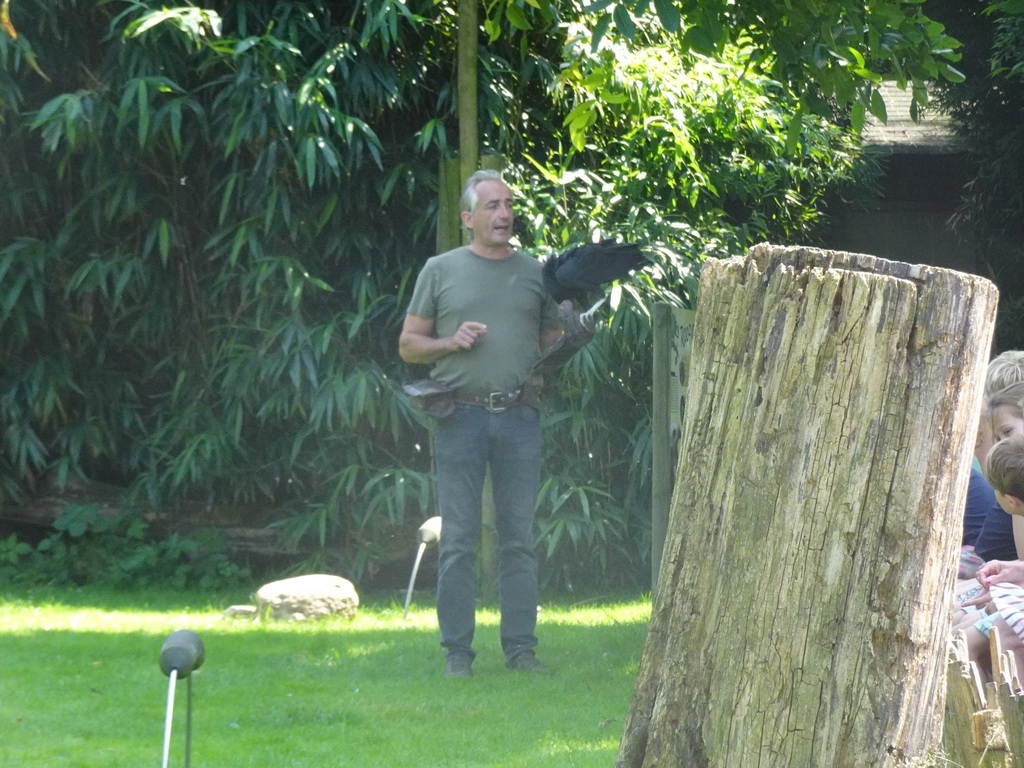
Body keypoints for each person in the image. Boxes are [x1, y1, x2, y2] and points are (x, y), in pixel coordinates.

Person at [398, 170, 562, 678]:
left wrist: (574, 335)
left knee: (518, 538)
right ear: (468, 218)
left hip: (519, 416)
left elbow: (551, 344)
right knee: (460, 539)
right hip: (459, 416)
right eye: (491, 206)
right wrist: (450, 342)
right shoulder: (440, 269)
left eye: (508, 204)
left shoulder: (536, 272)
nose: (504, 214)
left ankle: (521, 651)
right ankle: (457, 655)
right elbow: (408, 346)